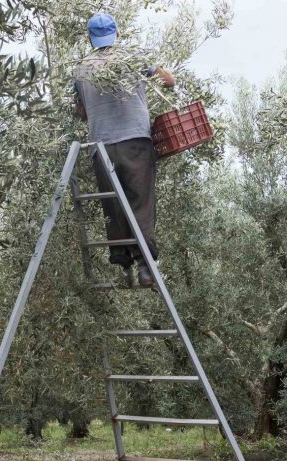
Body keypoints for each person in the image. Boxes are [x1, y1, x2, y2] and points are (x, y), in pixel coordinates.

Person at [72, 13, 176, 288]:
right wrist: (160, 72)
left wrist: (97, 107)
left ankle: (123, 264)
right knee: (139, 201)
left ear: (89, 38)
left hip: (101, 146)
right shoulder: (133, 57)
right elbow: (169, 81)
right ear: (116, 33)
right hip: (134, 141)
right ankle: (145, 268)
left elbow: (81, 112)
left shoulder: (81, 69)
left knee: (113, 205)